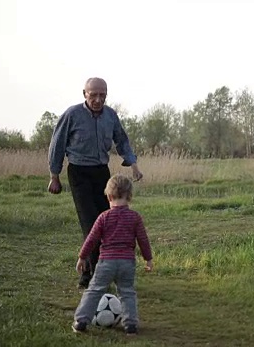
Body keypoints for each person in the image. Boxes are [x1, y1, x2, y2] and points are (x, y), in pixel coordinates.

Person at [48, 77, 143, 288]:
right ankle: (89, 274)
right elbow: (57, 144)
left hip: (102, 172)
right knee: (91, 223)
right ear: (84, 94)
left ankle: (104, 270)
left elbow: (122, 140)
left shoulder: (111, 116)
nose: (98, 99)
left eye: (102, 95)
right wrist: (55, 175)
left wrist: (133, 165)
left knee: (107, 222)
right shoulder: (72, 115)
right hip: (78, 172)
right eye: (94, 95)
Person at [71, 173, 153, 336]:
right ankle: (130, 325)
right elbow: (143, 240)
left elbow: (91, 239)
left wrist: (82, 257)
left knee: (94, 291)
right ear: (129, 196)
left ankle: (81, 322)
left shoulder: (103, 217)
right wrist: (148, 259)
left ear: (108, 196)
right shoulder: (135, 217)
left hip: (106, 262)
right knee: (127, 292)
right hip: (127, 263)